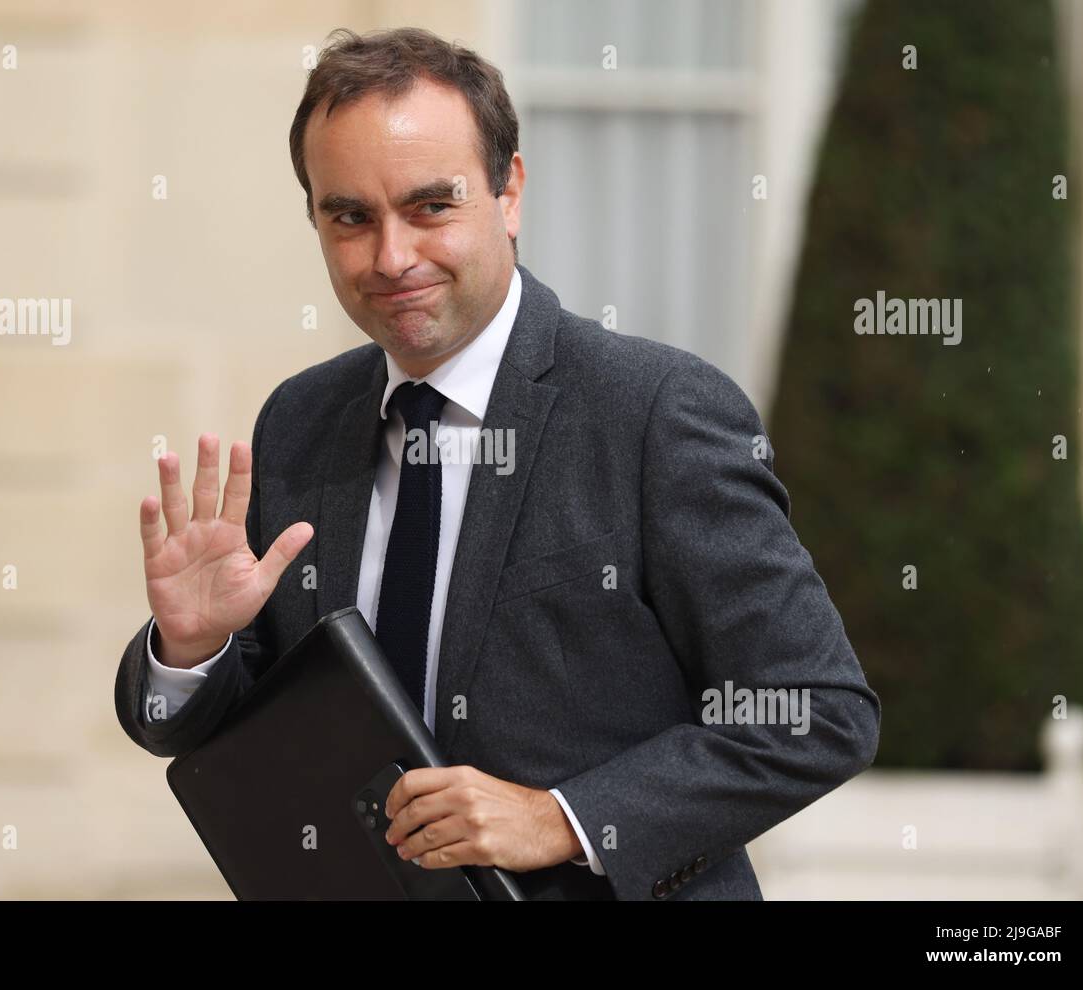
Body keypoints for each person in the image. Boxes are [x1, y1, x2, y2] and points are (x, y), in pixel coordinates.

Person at [114, 26, 881, 901]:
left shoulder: (655, 413)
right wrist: (194, 646)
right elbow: (244, 726)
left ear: (509, 191)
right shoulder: (300, 420)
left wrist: (562, 818)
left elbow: (818, 710)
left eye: (430, 206)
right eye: (351, 218)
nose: (392, 258)